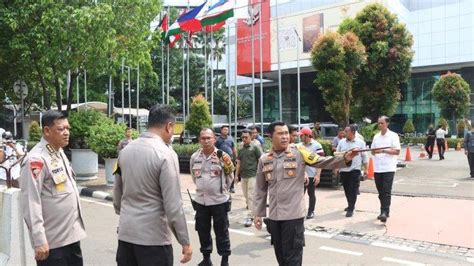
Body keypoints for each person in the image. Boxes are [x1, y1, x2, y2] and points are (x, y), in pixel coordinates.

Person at [254, 121, 359, 266]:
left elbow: (322, 161)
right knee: (281, 258)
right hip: (275, 217)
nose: (285, 137)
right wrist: (258, 213)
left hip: (293, 216)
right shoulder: (265, 159)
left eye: (286, 133)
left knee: (293, 260)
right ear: (270, 136)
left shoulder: (299, 152)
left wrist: (345, 158)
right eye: (280, 133)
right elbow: (260, 188)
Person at [113, 104, 192, 266]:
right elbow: (173, 205)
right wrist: (184, 240)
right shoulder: (166, 154)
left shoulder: (124, 152)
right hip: (153, 239)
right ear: (169, 126)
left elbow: (117, 195)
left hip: (126, 235)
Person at [19, 110, 86, 265]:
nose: (66, 133)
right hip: (53, 244)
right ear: (47, 131)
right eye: (61, 129)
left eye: (68, 128)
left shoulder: (58, 152)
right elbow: (31, 202)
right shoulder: (36, 159)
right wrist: (39, 240)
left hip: (71, 238)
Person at [191, 128, 234, 266]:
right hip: (201, 201)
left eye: (209, 138)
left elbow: (230, 176)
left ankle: (225, 259)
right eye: (203, 138)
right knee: (203, 231)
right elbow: (194, 177)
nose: (206, 140)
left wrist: (222, 190)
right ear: (199, 140)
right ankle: (206, 258)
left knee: (221, 231)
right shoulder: (194, 157)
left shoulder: (223, 156)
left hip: (219, 201)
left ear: (214, 139)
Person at [371, 116, 401, 223]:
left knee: (386, 191)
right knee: (380, 192)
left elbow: (397, 151)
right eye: (378, 123)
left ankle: (384, 212)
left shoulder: (393, 136)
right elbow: (372, 151)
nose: (380, 125)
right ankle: (384, 210)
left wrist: (383, 151)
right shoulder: (376, 137)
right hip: (378, 168)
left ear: (387, 124)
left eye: (382, 123)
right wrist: (375, 151)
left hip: (389, 167)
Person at [336, 125, 368, 217]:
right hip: (344, 169)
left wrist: (366, 169)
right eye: (344, 131)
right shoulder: (341, 142)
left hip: (355, 169)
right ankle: (350, 204)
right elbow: (337, 155)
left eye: (346, 131)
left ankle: (351, 208)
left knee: (352, 189)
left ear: (353, 132)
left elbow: (364, 156)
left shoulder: (360, 143)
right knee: (346, 189)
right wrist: (336, 167)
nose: (344, 133)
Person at [235, 129, 263, 227]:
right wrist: (236, 176)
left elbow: (260, 160)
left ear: (251, 137)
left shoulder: (255, 147)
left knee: (251, 196)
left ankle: (250, 217)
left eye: (246, 137)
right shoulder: (241, 148)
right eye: (242, 137)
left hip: (253, 175)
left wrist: (261, 174)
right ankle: (255, 212)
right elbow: (238, 163)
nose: (244, 139)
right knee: (246, 197)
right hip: (243, 176)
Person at [298, 127, 325, 219]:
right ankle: (299, 211)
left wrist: (318, 175)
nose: (300, 137)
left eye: (301, 135)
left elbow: (321, 162)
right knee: (299, 194)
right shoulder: (299, 146)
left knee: (311, 193)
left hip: (312, 174)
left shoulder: (317, 146)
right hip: (300, 175)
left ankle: (311, 211)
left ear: (307, 135)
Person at [216, 125, 237, 193]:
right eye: (224, 129)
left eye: (227, 130)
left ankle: (232, 187)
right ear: (221, 130)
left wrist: (235, 157)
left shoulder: (231, 138)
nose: (226, 131)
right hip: (221, 159)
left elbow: (234, 148)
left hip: (230, 158)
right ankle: (223, 186)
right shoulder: (217, 139)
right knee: (223, 173)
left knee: (231, 172)